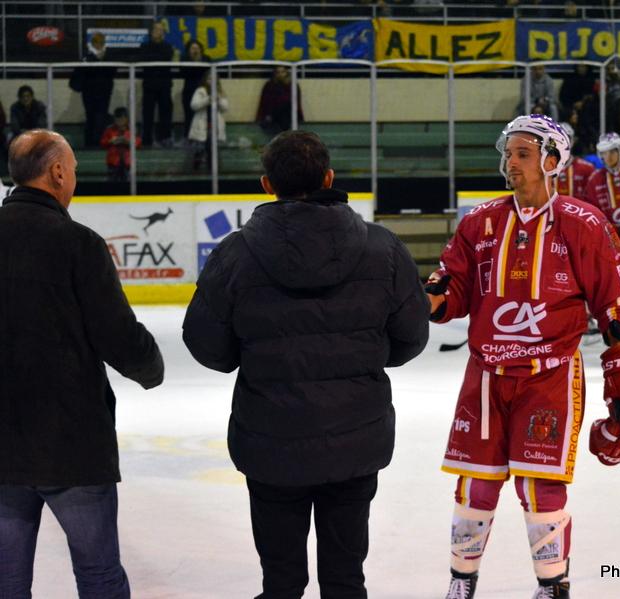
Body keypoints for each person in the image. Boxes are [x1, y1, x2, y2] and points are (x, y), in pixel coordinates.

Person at [182, 130, 429, 599]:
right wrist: (366, 358)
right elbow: (411, 336)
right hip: (355, 437)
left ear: (266, 184)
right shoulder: (383, 248)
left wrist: (251, 358)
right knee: (345, 580)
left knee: (280, 582)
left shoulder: (235, 253)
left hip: (270, 439)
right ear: (329, 179)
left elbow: (206, 345)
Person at [427, 114, 620, 599]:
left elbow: (612, 303)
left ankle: (552, 587)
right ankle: (461, 582)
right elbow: (453, 287)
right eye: (508, 153)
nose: (510, 162)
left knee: (539, 486)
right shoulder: (479, 221)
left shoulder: (584, 223)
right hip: (486, 374)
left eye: (523, 154)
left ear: (552, 161)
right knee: (475, 486)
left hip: (549, 375)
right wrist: (423, 299)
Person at [0, 129, 164, 598]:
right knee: (98, 576)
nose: (73, 178)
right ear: (56, 172)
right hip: (70, 442)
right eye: (72, 169)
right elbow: (116, 333)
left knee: (6, 580)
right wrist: (151, 369)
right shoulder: (77, 243)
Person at [584, 132, 620, 280]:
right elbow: (592, 213)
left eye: (612, 152)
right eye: (603, 153)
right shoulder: (595, 179)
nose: (608, 157)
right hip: (613, 240)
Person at [70, 32, 116, 148]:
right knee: (91, 117)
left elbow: (113, 72)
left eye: (101, 42)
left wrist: (103, 60)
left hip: (104, 93)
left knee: (101, 117)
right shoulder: (86, 57)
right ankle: (90, 144)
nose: (99, 44)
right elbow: (81, 73)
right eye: (97, 42)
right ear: (93, 43)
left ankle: (100, 143)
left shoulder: (109, 56)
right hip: (89, 94)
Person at [139, 21, 176, 147]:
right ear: (151, 31)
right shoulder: (144, 46)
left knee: (165, 112)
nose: (157, 31)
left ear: (163, 32)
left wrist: (154, 57)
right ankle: (147, 140)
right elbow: (144, 58)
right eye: (155, 29)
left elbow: (166, 57)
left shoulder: (168, 47)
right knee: (147, 113)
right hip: (149, 84)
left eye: (160, 29)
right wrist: (155, 57)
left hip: (164, 84)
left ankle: (165, 138)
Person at [187, 70, 228, 172]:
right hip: (202, 123)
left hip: (215, 124)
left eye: (214, 79)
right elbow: (194, 105)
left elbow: (225, 108)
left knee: (213, 148)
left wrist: (218, 100)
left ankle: (212, 167)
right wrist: (208, 99)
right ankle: (196, 166)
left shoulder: (220, 92)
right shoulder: (200, 91)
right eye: (209, 79)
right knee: (200, 147)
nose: (211, 81)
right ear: (205, 80)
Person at [256, 65, 304, 135]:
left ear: (286, 73)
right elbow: (265, 101)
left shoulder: (292, 85)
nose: (280, 74)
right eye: (278, 72)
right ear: (275, 74)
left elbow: (296, 101)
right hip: (273, 114)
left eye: (282, 72)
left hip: (287, 113)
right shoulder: (269, 85)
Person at [555, 122, 595, 201]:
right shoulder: (543, 169)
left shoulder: (587, 169)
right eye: (559, 139)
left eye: (567, 139)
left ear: (572, 141)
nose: (563, 143)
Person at [100, 107, 142, 182]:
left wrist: (128, 142)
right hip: (113, 162)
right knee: (112, 180)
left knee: (128, 181)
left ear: (126, 119)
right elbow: (103, 143)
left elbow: (138, 142)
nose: (120, 122)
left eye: (122, 119)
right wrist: (111, 141)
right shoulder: (109, 130)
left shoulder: (132, 130)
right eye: (118, 119)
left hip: (128, 162)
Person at [179, 39, 210, 138]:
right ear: (188, 50)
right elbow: (183, 73)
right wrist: (194, 61)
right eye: (193, 48)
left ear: (201, 49)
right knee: (189, 116)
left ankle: (206, 139)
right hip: (189, 91)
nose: (195, 50)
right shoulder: (184, 59)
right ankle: (188, 138)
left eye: (197, 48)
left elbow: (207, 73)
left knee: (205, 116)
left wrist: (199, 60)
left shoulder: (206, 59)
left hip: (204, 92)